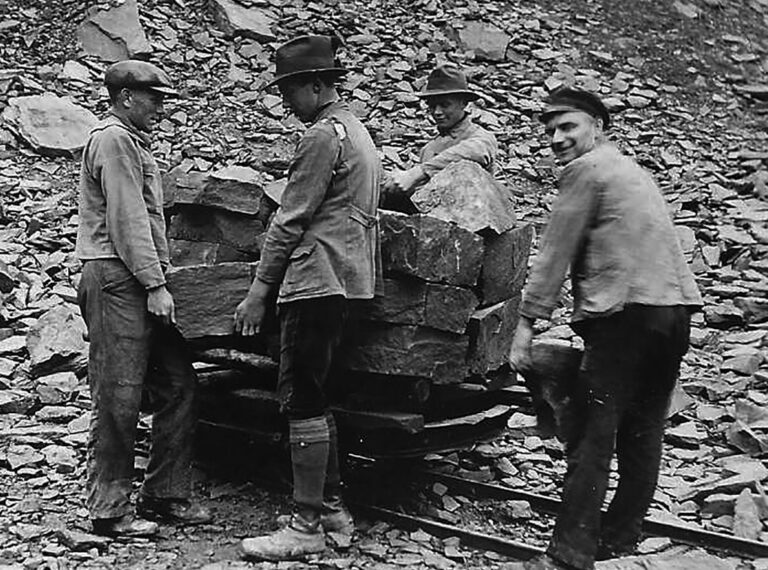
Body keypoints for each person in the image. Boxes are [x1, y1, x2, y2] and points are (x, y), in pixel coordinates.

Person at [507, 87, 702, 570]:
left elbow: (556, 250)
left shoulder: (585, 171)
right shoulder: (632, 171)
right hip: (673, 314)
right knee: (643, 431)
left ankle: (568, 556)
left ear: (598, 125)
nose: (556, 139)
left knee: (593, 433)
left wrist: (526, 325)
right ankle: (620, 537)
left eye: (567, 126)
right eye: (550, 130)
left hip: (625, 317)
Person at [234, 35, 380, 561]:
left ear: (316, 86)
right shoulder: (358, 132)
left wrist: (258, 291)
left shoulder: (322, 136)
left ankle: (305, 524)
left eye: (290, 90)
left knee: (300, 396)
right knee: (316, 393)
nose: (285, 103)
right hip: (347, 280)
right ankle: (332, 507)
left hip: (315, 279)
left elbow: (291, 218)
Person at [76, 60, 212, 537]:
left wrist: (157, 279)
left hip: (136, 276)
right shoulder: (113, 141)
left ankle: (165, 494)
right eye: (153, 97)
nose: (161, 106)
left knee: (177, 385)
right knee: (118, 395)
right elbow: (128, 220)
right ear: (126, 96)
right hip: (117, 277)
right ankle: (109, 510)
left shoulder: (131, 141)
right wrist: (155, 285)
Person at [383, 62, 498, 205]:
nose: (437, 112)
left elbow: (475, 151)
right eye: (432, 106)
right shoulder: (429, 148)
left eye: (445, 105)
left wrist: (418, 172)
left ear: (463, 103)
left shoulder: (481, 137)